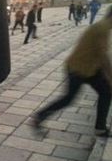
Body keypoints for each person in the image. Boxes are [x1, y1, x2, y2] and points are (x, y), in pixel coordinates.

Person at [34, 8, 112, 137]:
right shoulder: (102, 29)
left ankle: (100, 127)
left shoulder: (103, 26)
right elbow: (103, 56)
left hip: (89, 68)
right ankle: (39, 116)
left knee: (106, 92)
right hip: (78, 69)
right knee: (68, 99)